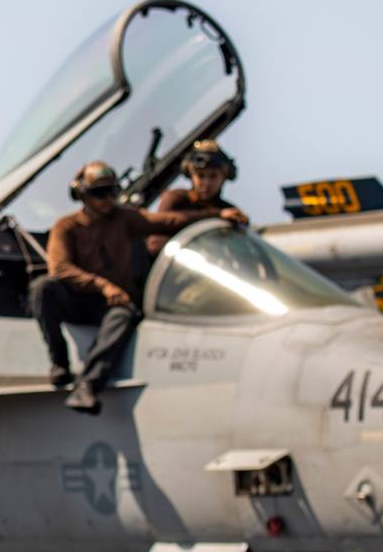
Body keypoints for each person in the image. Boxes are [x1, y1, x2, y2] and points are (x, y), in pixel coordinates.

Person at [29, 161, 241, 414]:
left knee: (124, 314)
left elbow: (170, 220)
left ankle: (88, 384)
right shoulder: (67, 226)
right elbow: (60, 268)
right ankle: (59, 363)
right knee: (43, 288)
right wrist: (102, 286)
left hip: (112, 305)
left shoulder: (126, 219)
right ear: (82, 195)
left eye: (111, 192)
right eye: (99, 193)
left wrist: (217, 215)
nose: (107, 199)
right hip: (80, 299)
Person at [151, 139, 250, 238]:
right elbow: (155, 243)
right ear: (191, 175)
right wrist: (218, 215)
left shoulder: (230, 212)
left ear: (224, 177)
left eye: (213, 176)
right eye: (200, 176)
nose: (206, 183)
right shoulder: (175, 199)